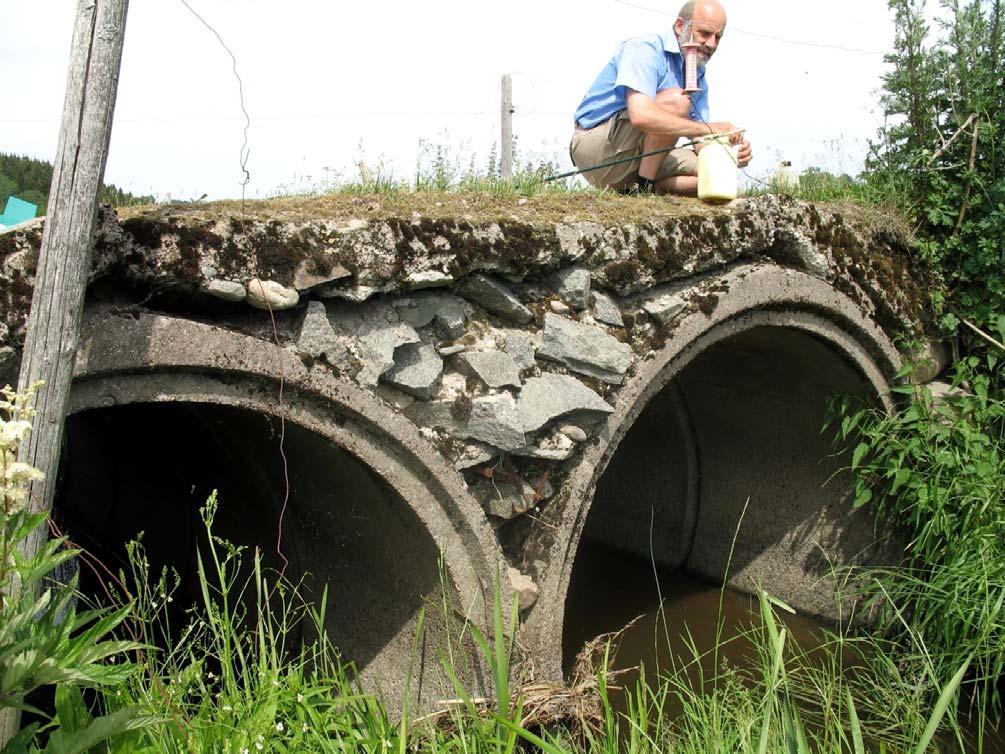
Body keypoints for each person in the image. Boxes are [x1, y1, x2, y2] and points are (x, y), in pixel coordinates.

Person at [570, 0, 752, 195]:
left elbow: (700, 140)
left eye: (718, 37)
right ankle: (643, 188)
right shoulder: (644, 49)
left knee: (713, 175)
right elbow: (641, 115)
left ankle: (641, 190)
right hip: (598, 149)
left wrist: (728, 152)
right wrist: (709, 129)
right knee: (678, 101)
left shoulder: (698, 74)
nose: (712, 44)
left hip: (640, 155)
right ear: (680, 25)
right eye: (705, 33)